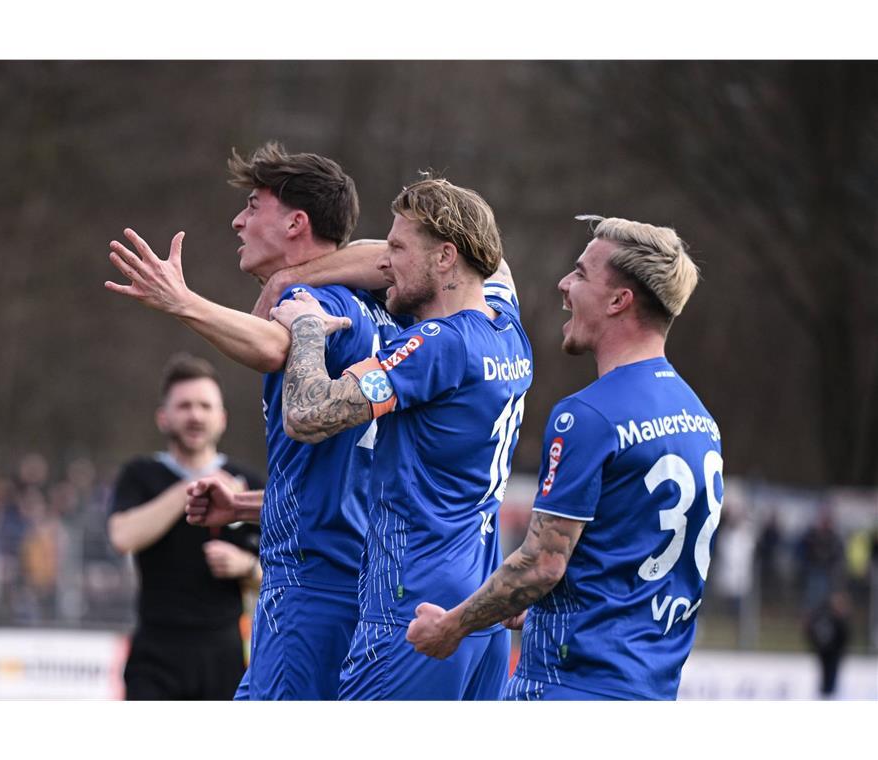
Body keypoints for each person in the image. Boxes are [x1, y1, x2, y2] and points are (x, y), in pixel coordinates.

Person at [105, 143, 403, 699]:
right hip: (356, 576)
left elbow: (273, 344)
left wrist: (183, 301)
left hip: (308, 583)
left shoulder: (315, 305)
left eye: (253, 204)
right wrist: (244, 505)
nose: (238, 220)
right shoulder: (376, 306)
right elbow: (330, 477)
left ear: (296, 222)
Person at [406, 214, 720, 701]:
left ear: (619, 301)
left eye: (580, 273)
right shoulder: (699, 418)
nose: (563, 284)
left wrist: (452, 625)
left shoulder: (589, 415)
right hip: (650, 692)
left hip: (567, 687)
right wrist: (542, 610)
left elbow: (541, 565)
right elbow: (630, 563)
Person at [270, 176, 530, 700]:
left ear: (444, 258)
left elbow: (306, 414)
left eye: (397, 247)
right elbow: (496, 266)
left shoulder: (437, 345)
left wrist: (306, 328)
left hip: (412, 605)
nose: (384, 261)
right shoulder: (508, 326)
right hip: (476, 606)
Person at [108, 353, 264, 700]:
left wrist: (245, 566)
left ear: (222, 419)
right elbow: (122, 536)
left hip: (224, 652)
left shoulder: (249, 485)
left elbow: (283, 574)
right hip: (156, 651)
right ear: (163, 418)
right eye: (185, 406)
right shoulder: (141, 475)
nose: (195, 415)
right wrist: (191, 487)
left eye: (205, 406)